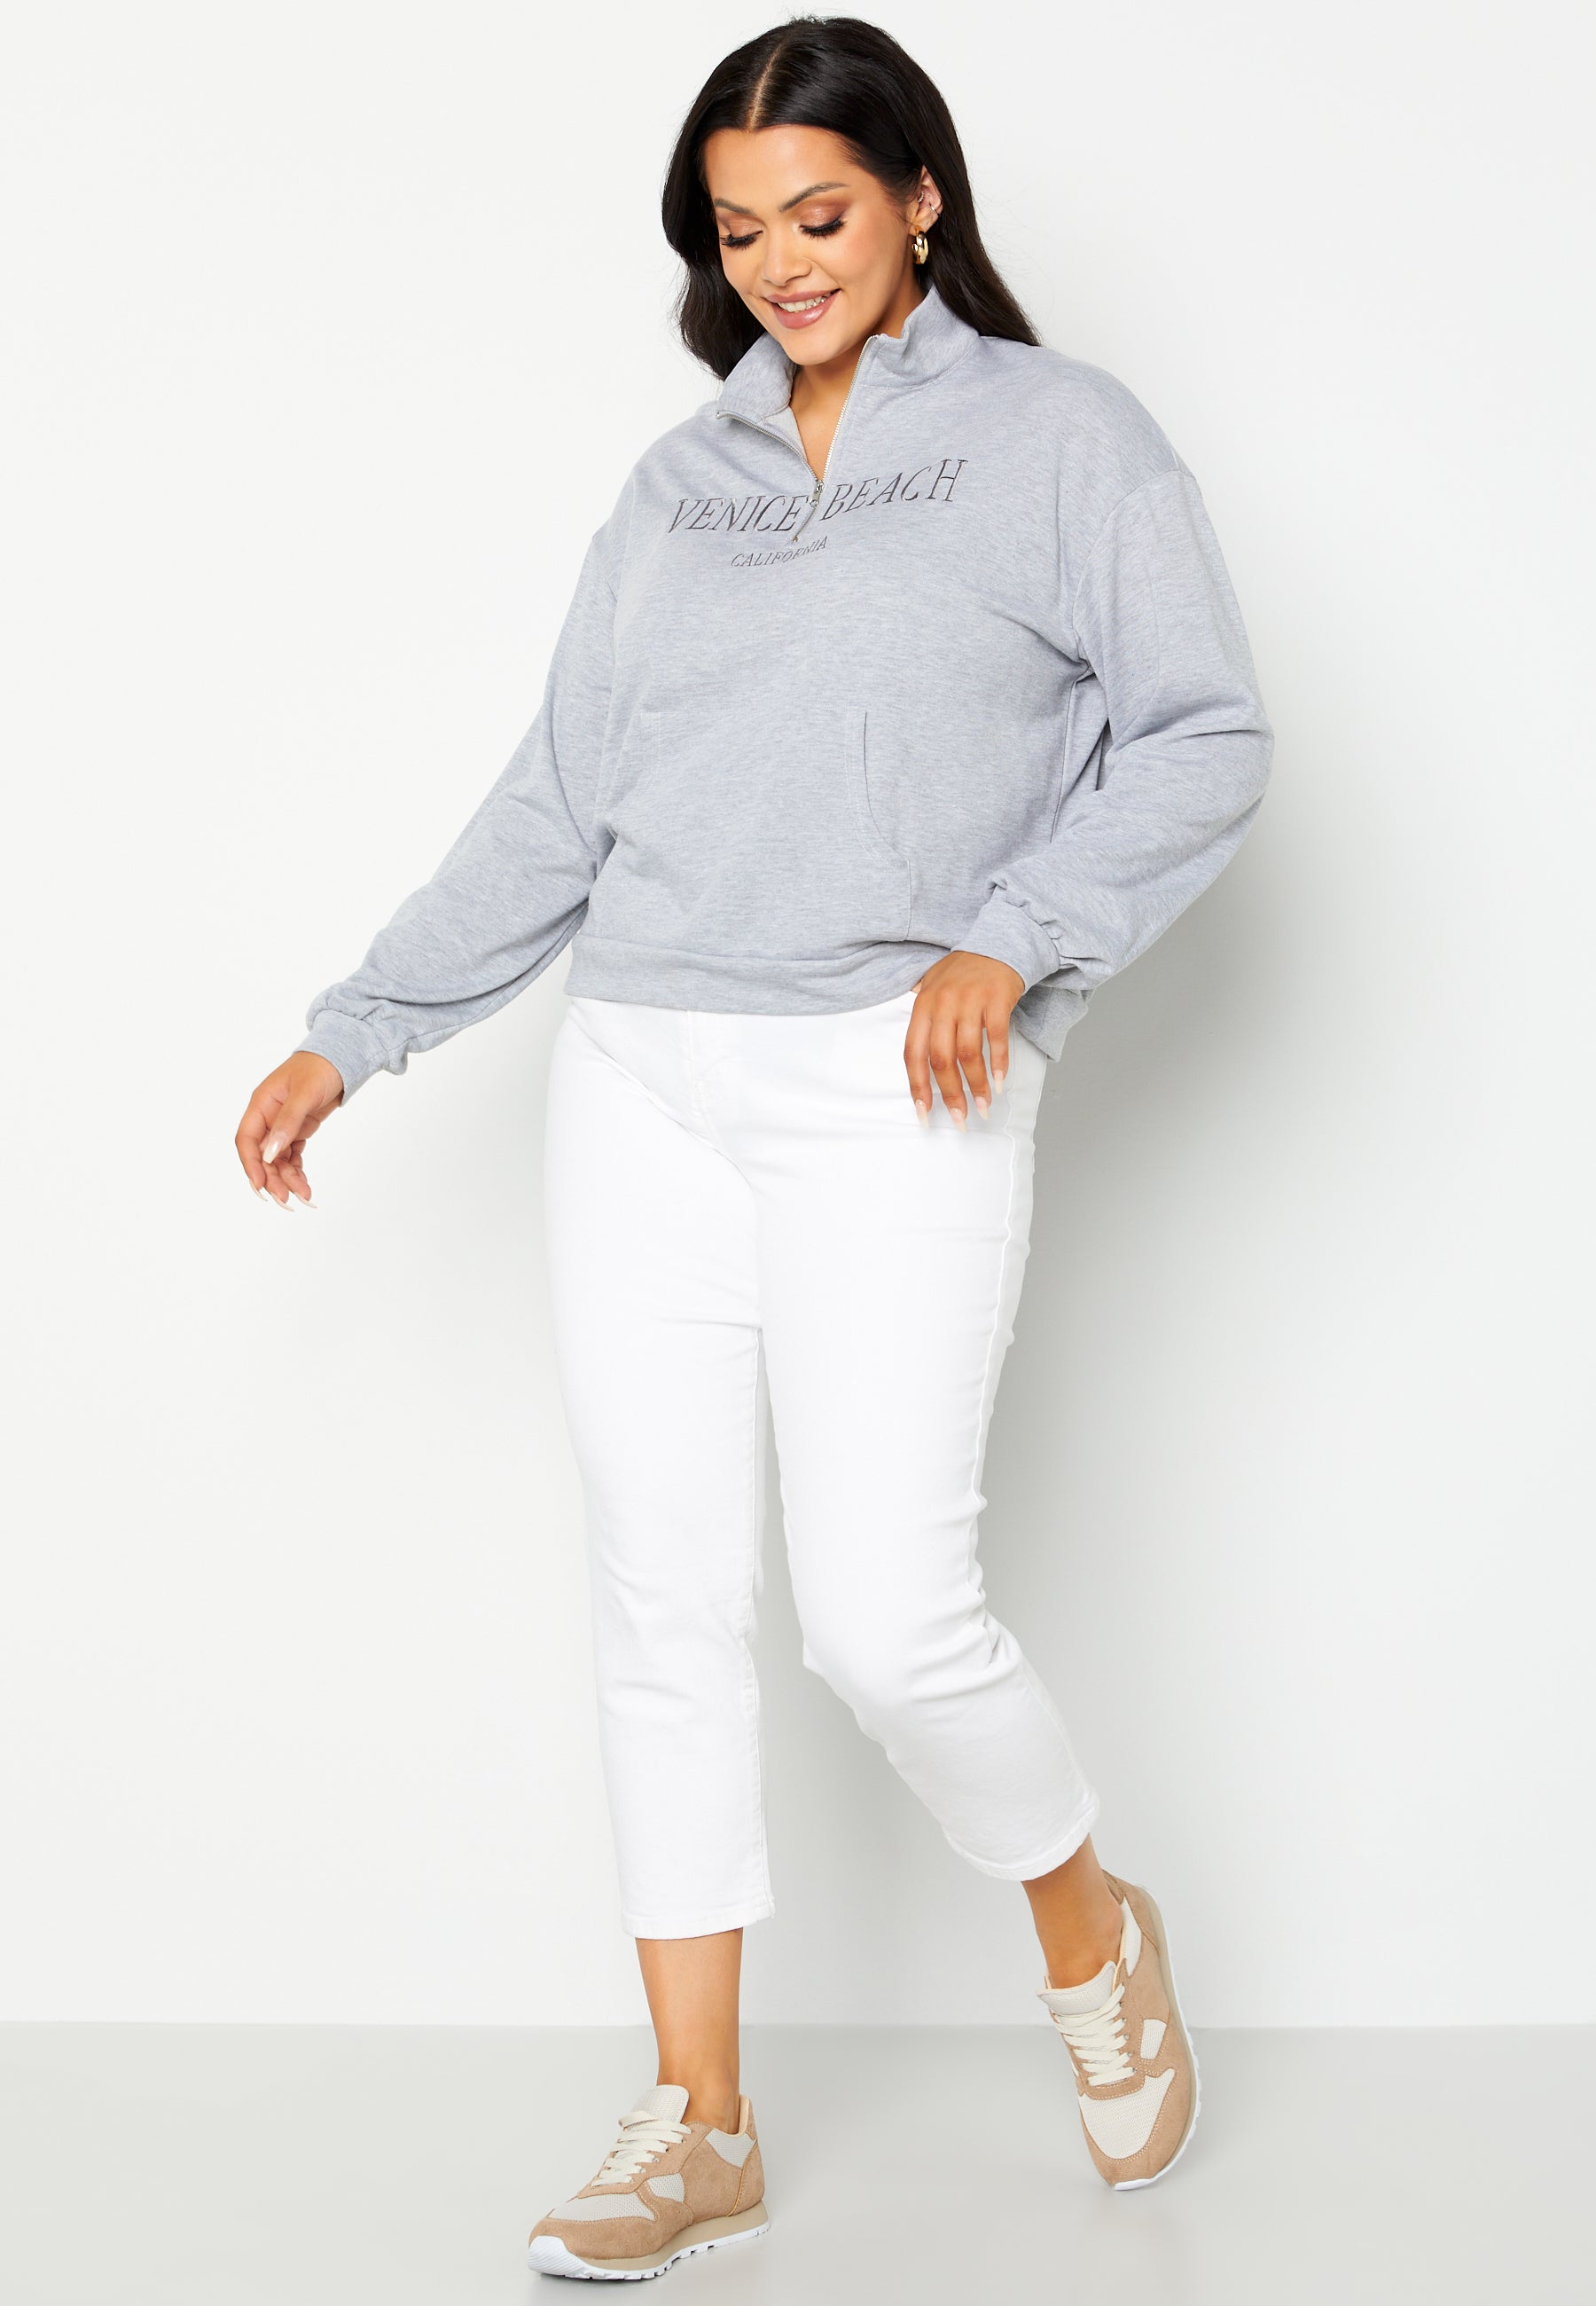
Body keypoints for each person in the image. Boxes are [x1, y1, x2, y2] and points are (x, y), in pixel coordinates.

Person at [234, 14, 1272, 2279]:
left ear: (918, 199)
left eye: (820, 214)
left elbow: (1203, 734)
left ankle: (1090, 1929)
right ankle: (697, 2120)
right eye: (738, 231)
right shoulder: (675, 488)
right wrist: (364, 1025)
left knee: (889, 1623)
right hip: (643, 1075)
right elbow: (561, 801)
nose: (782, 265)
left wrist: (1018, 934)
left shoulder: (1064, 442)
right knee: (665, 1603)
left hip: (896, 1082)